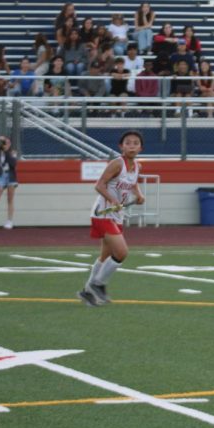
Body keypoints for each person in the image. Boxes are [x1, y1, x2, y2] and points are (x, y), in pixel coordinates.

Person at [77, 130, 145, 307]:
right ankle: (97, 284)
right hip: (103, 214)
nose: (132, 146)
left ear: (141, 147)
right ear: (121, 146)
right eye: (128, 143)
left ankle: (87, 292)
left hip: (117, 216)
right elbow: (99, 185)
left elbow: (133, 183)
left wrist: (139, 194)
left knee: (104, 256)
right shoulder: (117, 164)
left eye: (135, 143)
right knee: (121, 253)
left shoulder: (138, 166)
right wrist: (113, 199)